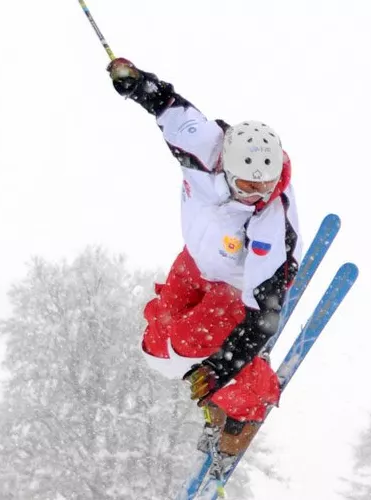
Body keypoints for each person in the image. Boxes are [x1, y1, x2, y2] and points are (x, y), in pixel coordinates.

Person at [106, 57, 304, 461]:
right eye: (247, 187)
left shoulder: (270, 225)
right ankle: (222, 377)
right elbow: (168, 106)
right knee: (155, 344)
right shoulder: (203, 144)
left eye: (263, 188)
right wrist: (135, 83)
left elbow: (262, 316)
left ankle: (247, 404)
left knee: (188, 343)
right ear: (227, 166)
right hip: (196, 260)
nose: (255, 196)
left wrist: (220, 367)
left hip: (236, 286)